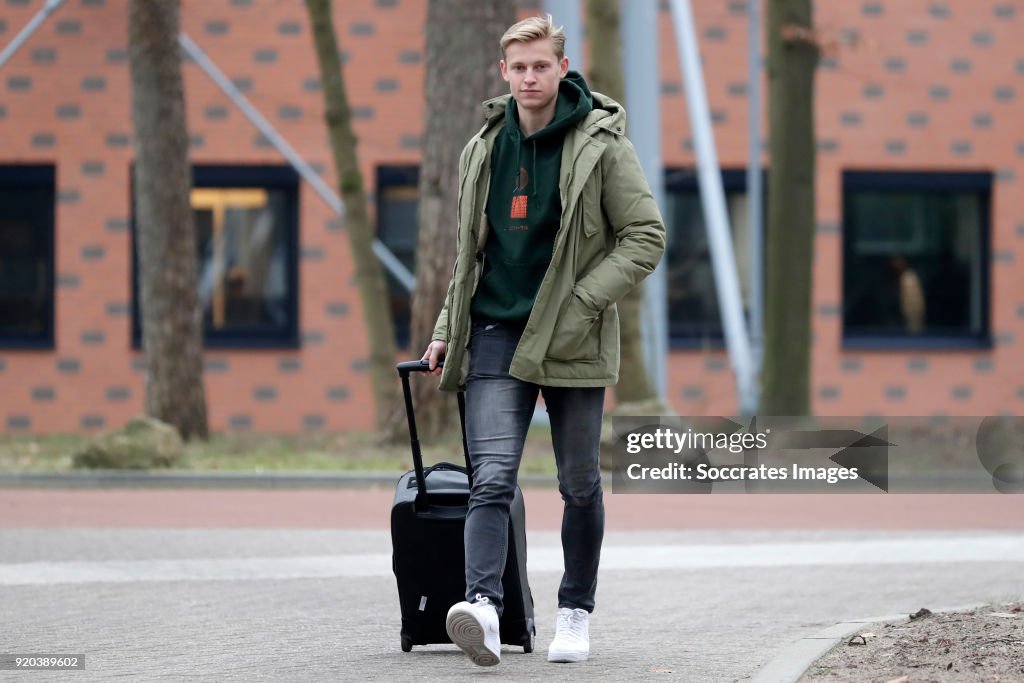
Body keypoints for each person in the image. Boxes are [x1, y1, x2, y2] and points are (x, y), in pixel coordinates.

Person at [420, 14, 665, 667]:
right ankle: (483, 607)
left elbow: (646, 235)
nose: (529, 77)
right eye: (518, 67)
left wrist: (584, 301)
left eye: (540, 66)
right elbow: (468, 254)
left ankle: (575, 612)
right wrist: (448, 327)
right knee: (491, 477)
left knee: (579, 482)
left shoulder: (602, 144)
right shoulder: (483, 147)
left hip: (573, 336)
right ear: (504, 71)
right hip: (497, 330)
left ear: (561, 67)